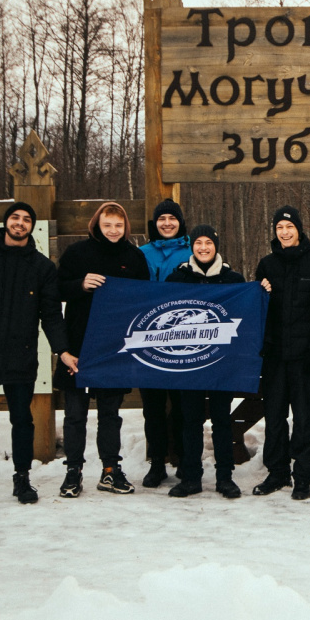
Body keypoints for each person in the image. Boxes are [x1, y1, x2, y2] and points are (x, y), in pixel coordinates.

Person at [0, 203, 78, 509]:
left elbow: (51, 315)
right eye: (15, 218)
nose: (20, 223)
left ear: (32, 227)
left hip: (21, 355)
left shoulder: (42, 267)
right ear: (6, 221)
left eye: (26, 220)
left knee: (23, 420)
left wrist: (63, 351)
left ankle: (22, 477)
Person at [55, 202, 150, 497]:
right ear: (97, 224)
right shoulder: (77, 253)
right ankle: (73, 471)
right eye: (107, 225)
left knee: (110, 413)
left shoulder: (134, 257)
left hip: (115, 347)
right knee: (75, 414)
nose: (113, 230)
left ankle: (110, 470)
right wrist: (80, 285)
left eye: (118, 226)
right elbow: (55, 289)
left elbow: (145, 298)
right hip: (78, 345)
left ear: (126, 228)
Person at [253, 206, 310, 500]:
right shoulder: (266, 265)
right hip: (275, 357)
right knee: (274, 418)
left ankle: (302, 477)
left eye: (289, 227)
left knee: (304, 420)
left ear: (299, 230)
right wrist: (259, 291)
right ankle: (277, 473)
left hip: (304, 357)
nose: (285, 232)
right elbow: (258, 311)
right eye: (279, 228)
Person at [166, 225, 244, 499]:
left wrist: (262, 291)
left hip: (221, 362)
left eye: (208, 243)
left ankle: (225, 477)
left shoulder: (233, 278)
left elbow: (245, 315)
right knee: (190, 420)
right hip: (188, 362)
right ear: (192, 247)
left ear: (216, 246)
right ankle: (190, 477)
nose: (203, 247)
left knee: (222, 420)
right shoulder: (178, 278)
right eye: (198, 242)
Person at [138, 198, 190, 488]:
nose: (167, 223)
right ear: (155, 224)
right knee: (153, 407)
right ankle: (157, 462)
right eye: (162, 219)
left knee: (182, 404)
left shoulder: (194, 248)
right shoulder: (142, 253)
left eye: (172, 218)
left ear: (180, 222)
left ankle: (183, 459)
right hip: (149, 338)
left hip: (184, 339)